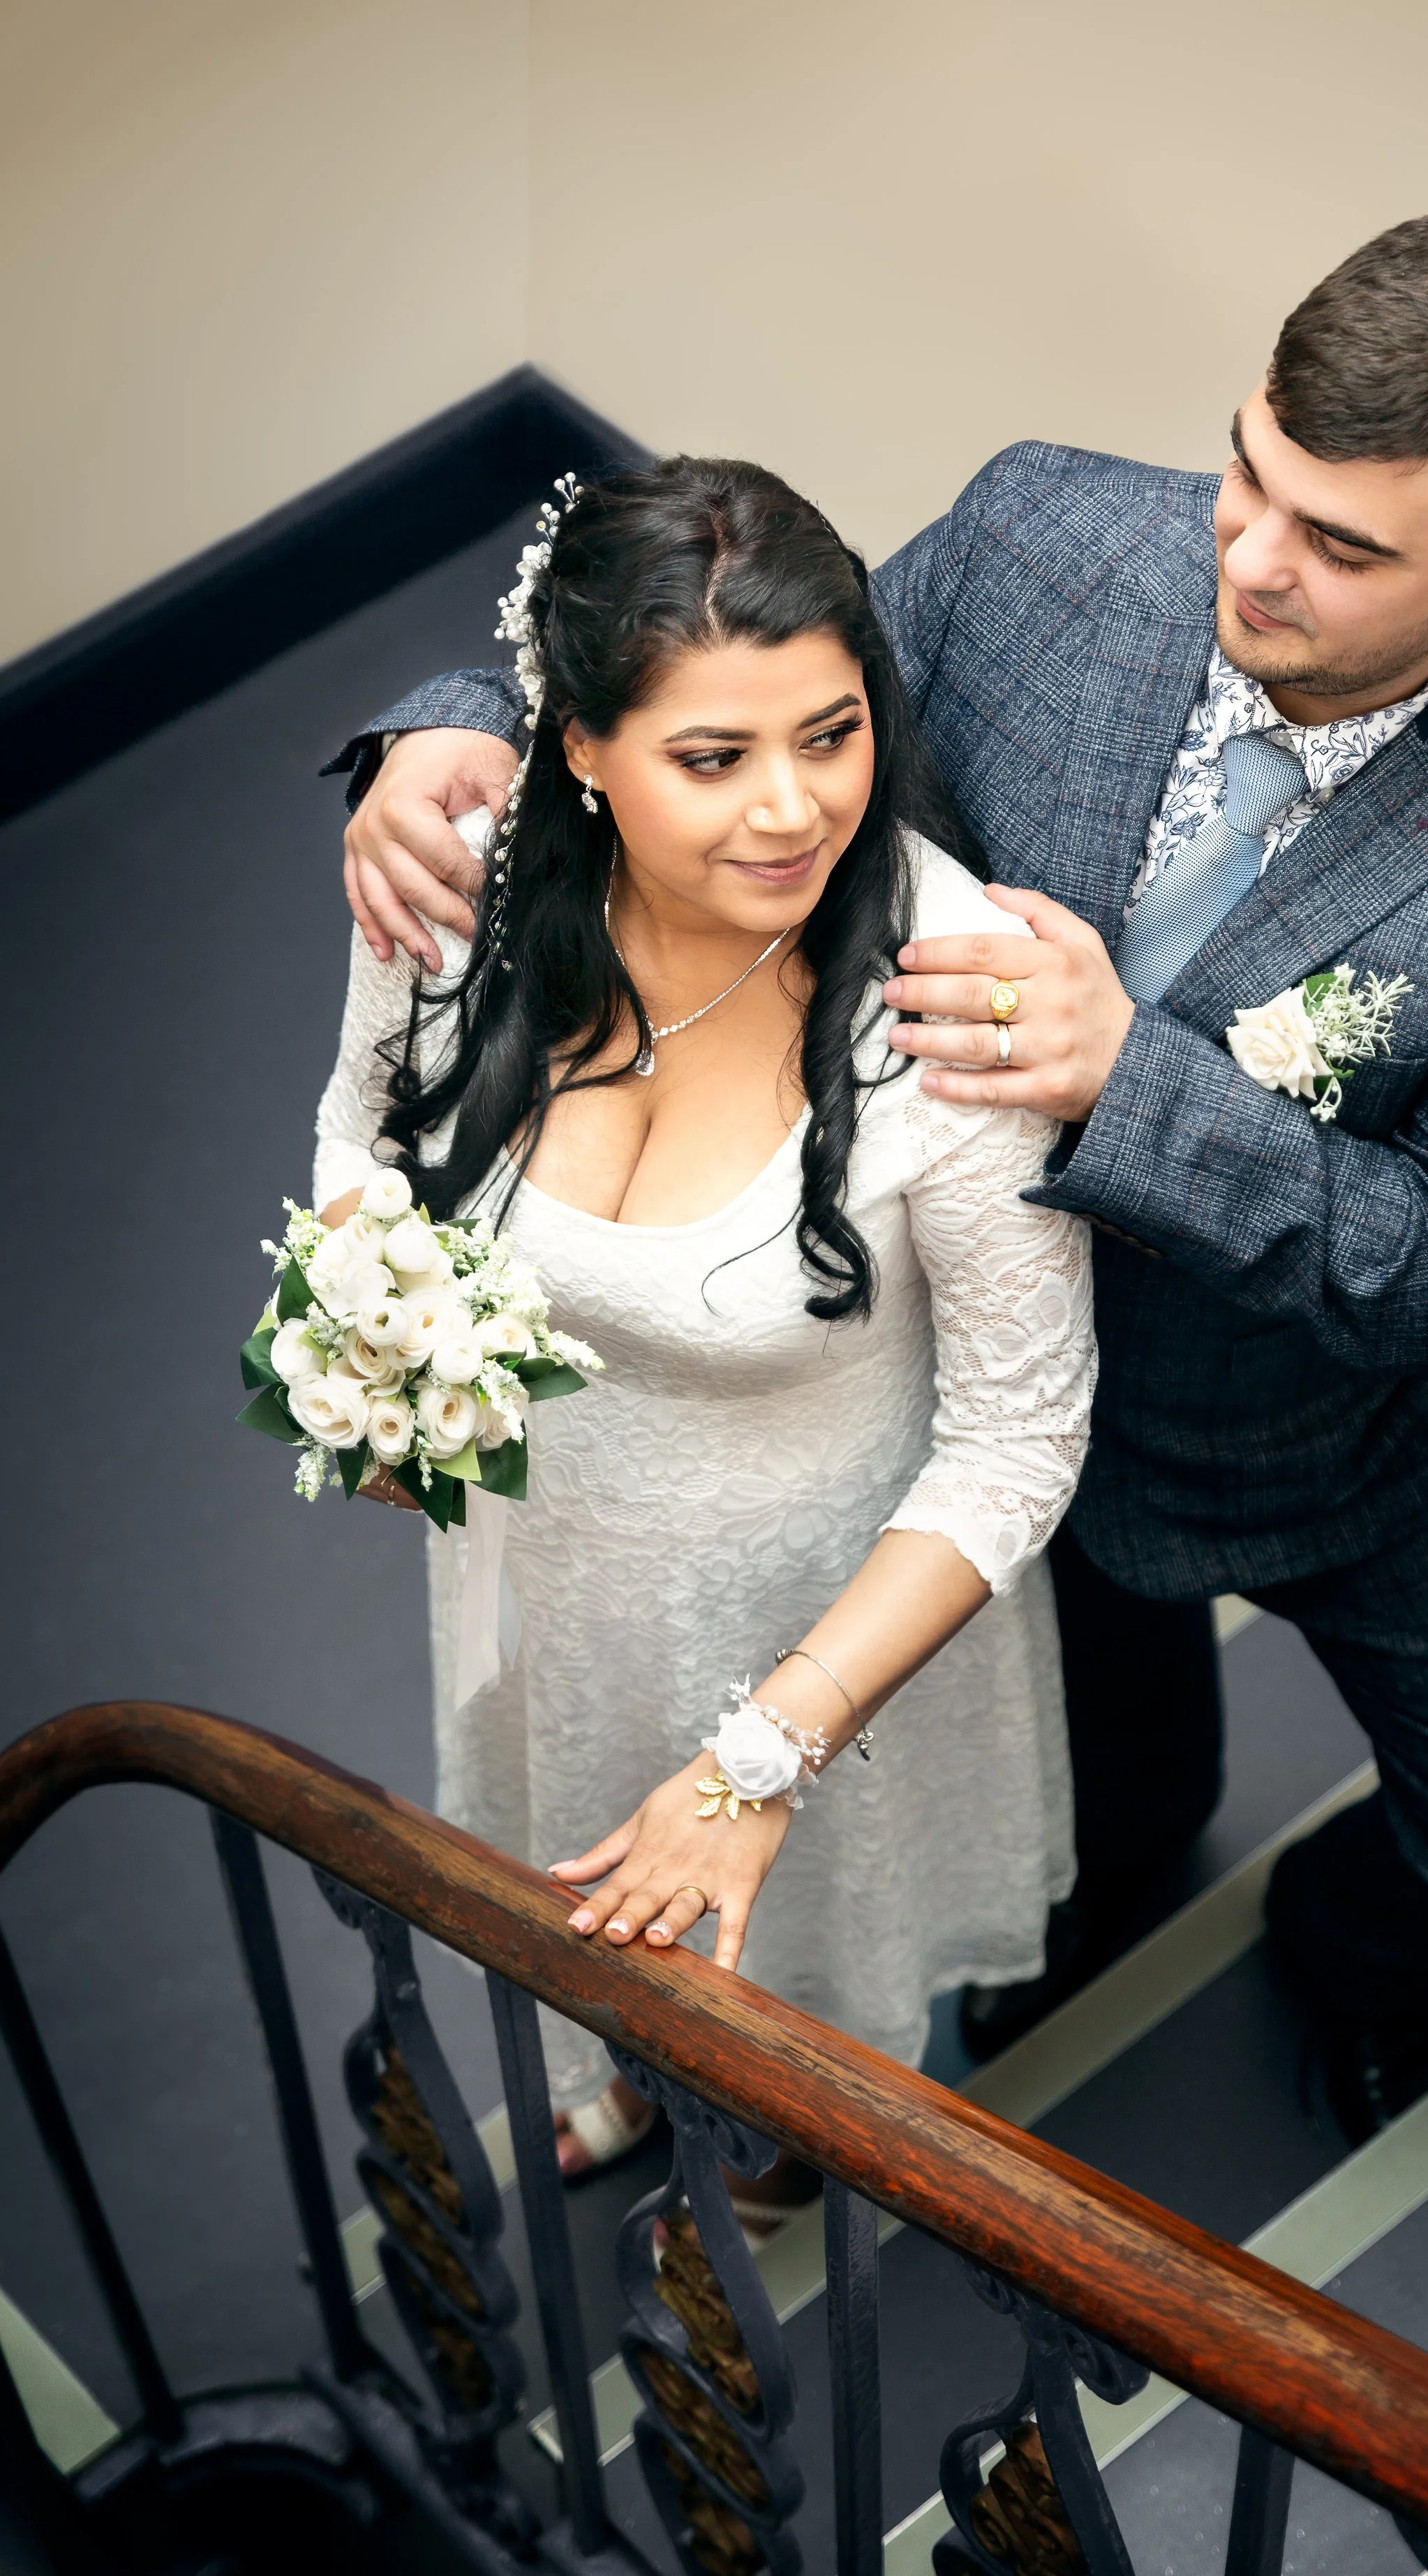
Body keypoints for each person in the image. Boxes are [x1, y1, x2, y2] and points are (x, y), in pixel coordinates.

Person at [330, 214, 1428, 2146]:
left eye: (1342, 543)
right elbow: (754, 698)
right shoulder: (1049, 533)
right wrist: (464, 729)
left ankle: (1337, 1942)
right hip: (968, 1393)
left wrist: (1127, 1084)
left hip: (1345, 1444)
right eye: (1248, 470)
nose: (1247, 554)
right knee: (1114, 1827)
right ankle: (1091, 1892)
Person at [312, 457, 1093, 2195]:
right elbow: (361, 1137)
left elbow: (1018, 1440)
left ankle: (768, 2150)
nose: (791, 814)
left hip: (812, 1619)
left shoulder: (945, 996)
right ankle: (619, 2067)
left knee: (782, 1989)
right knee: (573, 1880)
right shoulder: (456, 882)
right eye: (712, 758)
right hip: (542, 1557)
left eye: (830, 734)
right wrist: (367, 1360)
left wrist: (765, 1752)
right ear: (575, 750)